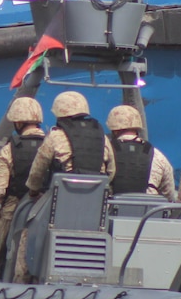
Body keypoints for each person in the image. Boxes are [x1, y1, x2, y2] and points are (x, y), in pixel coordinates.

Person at [13, 91, 115, 282]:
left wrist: (33, 191)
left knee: (26, 233)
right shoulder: (103, 138)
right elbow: (111, 172)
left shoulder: (55, 136)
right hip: (95, 213)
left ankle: (22, 282)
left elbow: (38, 170)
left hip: (59, 207)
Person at [0, 97, 46, 281]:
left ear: (18, 122)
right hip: (46, 206)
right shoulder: (52, 144)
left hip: (15, 206)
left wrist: (1, 200)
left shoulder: (8, 150)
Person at [105, 105, 175, 201]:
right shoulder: (157, 155)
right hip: (149, 212)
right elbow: (169, 195)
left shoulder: (107, 152)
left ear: (114, 131)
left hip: (113, 213)